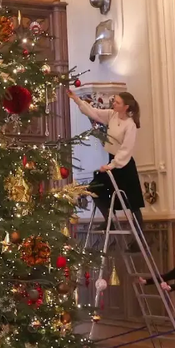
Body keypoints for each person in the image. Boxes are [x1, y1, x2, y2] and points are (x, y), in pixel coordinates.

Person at [67, 89, 144, 239]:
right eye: (114, 101)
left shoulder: (130, 125)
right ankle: (110, 220)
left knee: (132, 203)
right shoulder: (112, 115)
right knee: (94, 189)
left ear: (126, 106)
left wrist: (113, 165)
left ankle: (139, 238)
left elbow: (126, 149)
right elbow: (93, 113)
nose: (113, 103)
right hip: (112, 162)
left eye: (117, 102)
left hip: (124, 165)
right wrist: (76, 99)